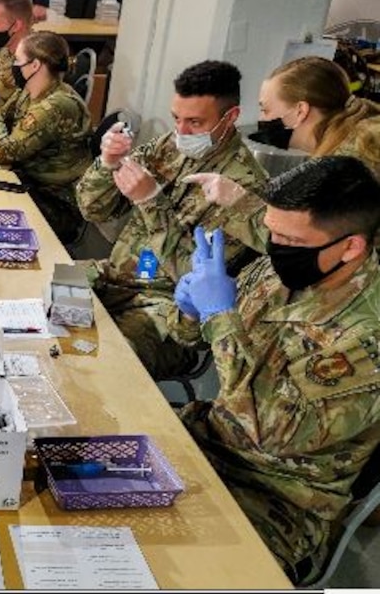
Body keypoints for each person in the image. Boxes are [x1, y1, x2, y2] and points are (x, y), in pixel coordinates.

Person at [172, 157, 380, 584]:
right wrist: (191, 310)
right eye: (271, 231)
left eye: (289, 238)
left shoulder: (367, 337)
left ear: (351, 247)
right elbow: (192, 341)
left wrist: (218, 316)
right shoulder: (288, 265)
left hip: (276, 498)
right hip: (210, 438)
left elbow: (268, 433)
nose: (274, 247)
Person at [75, 60, 267, 380]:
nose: (181, 131)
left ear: (230, 117)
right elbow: (93, 210)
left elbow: (194, 278)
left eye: (195, 121)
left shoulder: (242, 189)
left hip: (169, 311)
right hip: (118, 276)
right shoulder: (168, 147)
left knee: (102, 364)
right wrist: (107, 164)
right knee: (40, 295)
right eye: (176, 117)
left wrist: (151, 201)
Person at [186, 56, 380, 251]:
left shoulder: (347, 163)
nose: (262, 119)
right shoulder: (362, 126)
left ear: (300, 111)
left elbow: (301, 245)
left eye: (266, 110)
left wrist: (236, 200)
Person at [0, 31, 91, 244]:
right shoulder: (29, 92)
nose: (14, 65)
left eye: (18, 60)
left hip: (55, 202)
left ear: (35, 65)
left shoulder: (55, 105)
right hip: (30, 182)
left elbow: (4, 152)